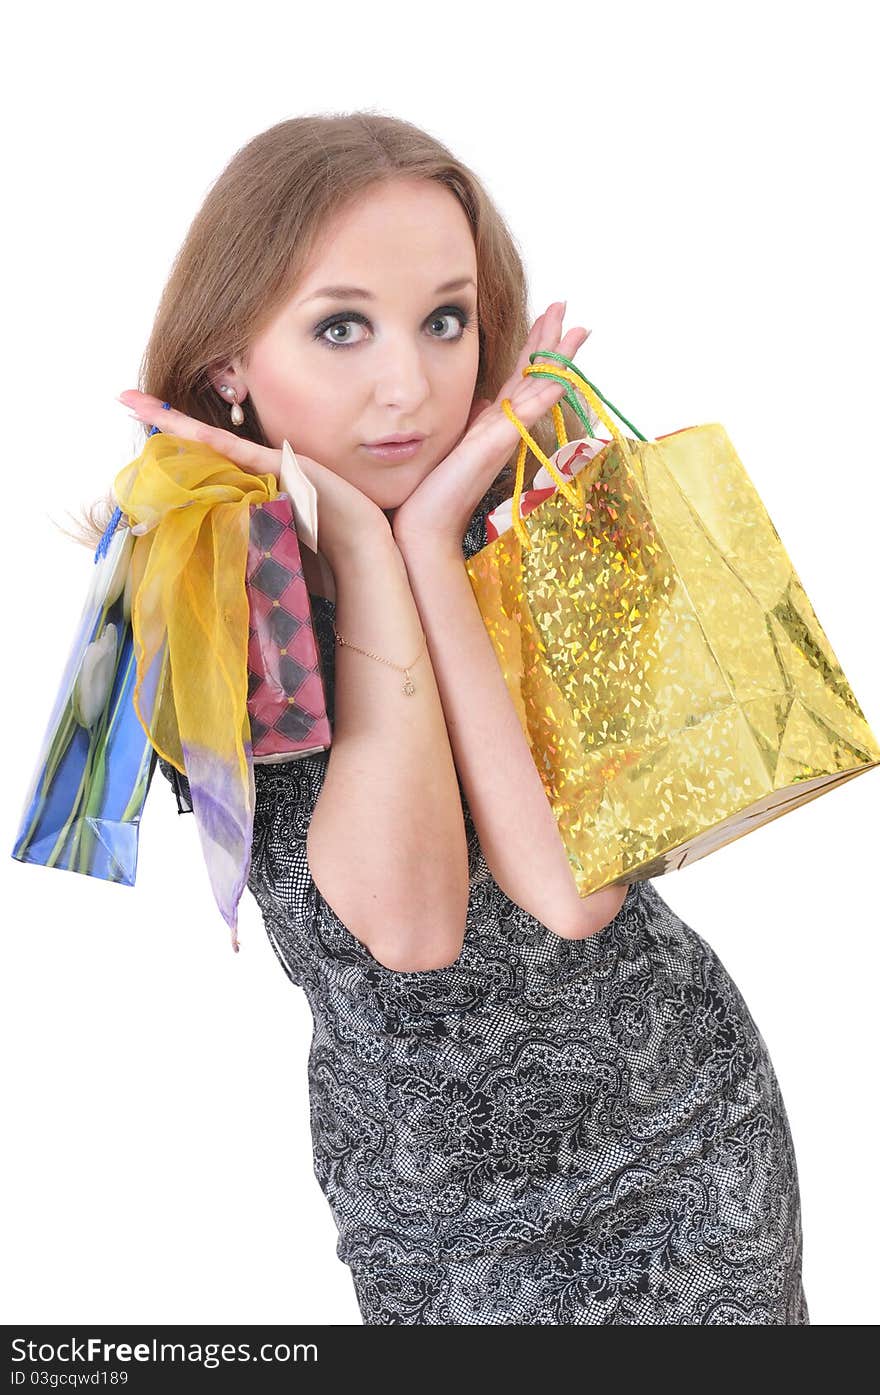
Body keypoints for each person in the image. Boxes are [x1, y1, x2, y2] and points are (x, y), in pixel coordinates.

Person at [83, 113, 809, 1324]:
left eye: (445, 320)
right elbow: (410, 928)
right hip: (431, 1222)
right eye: (340, 327)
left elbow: (568, 896)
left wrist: (423, 540)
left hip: (683, 1147)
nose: (409, 385)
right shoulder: (202, 595)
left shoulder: (527, 519)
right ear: (228, 368)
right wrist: (364, 549)